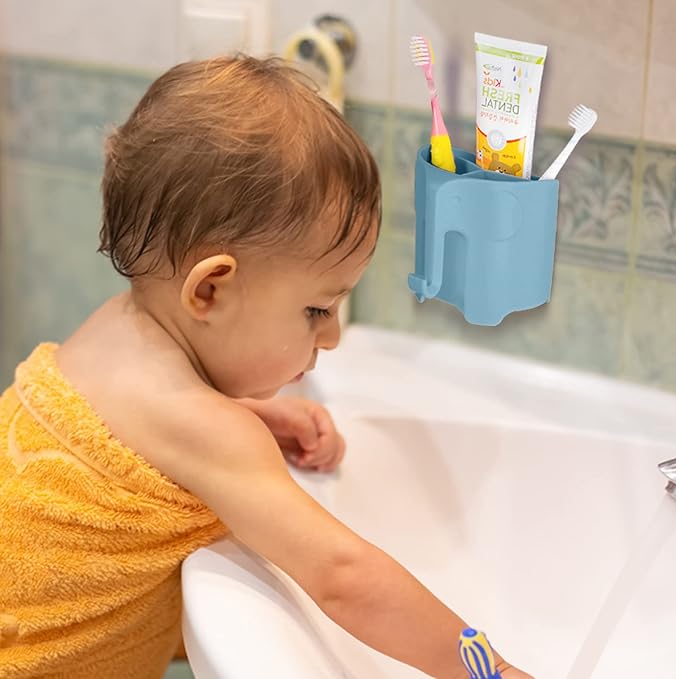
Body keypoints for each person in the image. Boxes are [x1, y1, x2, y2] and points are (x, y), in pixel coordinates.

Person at [0, 55, 533, 679]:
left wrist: (253, 411)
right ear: (209, 290)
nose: (332, 337)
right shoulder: (210, 433)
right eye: (316, 310)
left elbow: (137, 436)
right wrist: (492, 670)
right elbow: (344, 577)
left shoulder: (111, 330)